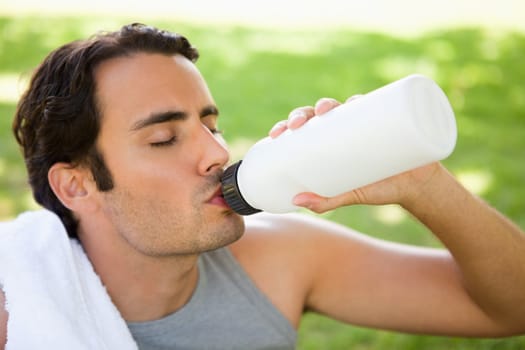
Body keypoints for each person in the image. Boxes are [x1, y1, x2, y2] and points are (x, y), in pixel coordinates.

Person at [1, 23, 524, 349]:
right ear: (76, 186)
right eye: (164, 138)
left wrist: (421, 183)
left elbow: (511, 307)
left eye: (210, 124)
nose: (216, 153)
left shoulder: (278, 258)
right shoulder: (17, 306)